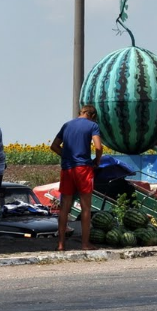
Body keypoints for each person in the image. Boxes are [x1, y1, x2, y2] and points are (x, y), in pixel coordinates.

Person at [51, 104, 102, 251]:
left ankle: (61, 244)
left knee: (64, 207)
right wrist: (96, 161)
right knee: (86, 208)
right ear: (92, 115)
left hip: (67, 169)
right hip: (84, 169)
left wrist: (66, 156)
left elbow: (54, 146)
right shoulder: (92, 126)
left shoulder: (66, 125)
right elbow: (98, 147)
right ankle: (85, 244)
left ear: (81, 112)